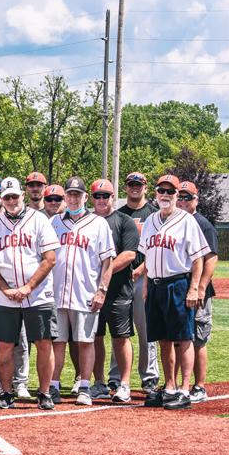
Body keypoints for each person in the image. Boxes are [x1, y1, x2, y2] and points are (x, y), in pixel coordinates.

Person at [0, 179, 60, 410]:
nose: (11, 201)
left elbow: (50, 259)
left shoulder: (39, 220)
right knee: (4, 345)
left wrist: (28, 287)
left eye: (15, 196)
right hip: (5, 296)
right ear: (2, 200)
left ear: (22, 196)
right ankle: (6, 392)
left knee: (43, 343)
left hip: (38, 295)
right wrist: (5, 289)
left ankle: (44, 393)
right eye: (7, 197)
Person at [136, 175, 209, 410]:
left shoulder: (187, 221)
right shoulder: (150, 221)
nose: (165, 195)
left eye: (170, 192)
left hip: (178, 283)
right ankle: (169, 386)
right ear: (156, 194)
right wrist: (147, 286)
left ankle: (185, 390)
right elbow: (147, 257)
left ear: (177, 195)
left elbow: (198, 258)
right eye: (161, 191)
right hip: (156, 285)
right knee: (163, 338)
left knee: (183, 337)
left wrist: (194, 288)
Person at [47, 177, 114, 406]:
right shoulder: (54, 223)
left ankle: (85, 386)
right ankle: (53, 386)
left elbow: (108, 261)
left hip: (85, 293)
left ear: (86, 197)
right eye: (70, 194)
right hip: (56, 293)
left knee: (86, 341)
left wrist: (101, 290)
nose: (74, 198)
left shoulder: (98, 224)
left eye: (78, 194)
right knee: (57, 341)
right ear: (65, 197)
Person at [90, 179, 139, 404]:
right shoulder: (86, 222)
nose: (101, 200)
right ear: (92, 198)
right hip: (90, 291)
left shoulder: (124, 221)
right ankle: (99, 383)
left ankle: (124, 384)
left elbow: (129, 254)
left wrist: (103, 275)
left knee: (120, 337)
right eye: (97, 196)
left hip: (118, 290)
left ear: (113, 197)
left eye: (106, 195)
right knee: (94, 337)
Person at [115, 171, 160, 394]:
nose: (135, 188)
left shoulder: (153, 213)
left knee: (146, 330)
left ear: (145, 187)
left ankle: (149, 376)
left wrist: (142, 268)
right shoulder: (119, 214)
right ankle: (116, 376)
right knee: (119, 330)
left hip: (145, 277)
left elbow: (157, 247)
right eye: (131, 184)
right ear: (126, 187)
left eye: (138, 184)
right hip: (121, 278)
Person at [176, 181, 218, 403]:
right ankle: (174, 384)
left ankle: (199, 386)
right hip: (177, 289)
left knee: (198, 339)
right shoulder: (174, 222)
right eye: (180, 197)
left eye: (187, 197)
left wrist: (200, 287)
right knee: (178, 339)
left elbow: (211, 259)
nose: (182, 201)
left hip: (198, 292)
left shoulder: (202, 224)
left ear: (196, 200)